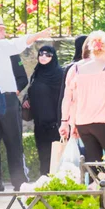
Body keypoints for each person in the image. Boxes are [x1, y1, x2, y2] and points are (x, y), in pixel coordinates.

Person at [0, 16, 51, 191]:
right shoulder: (0, 46)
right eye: (0, 29)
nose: (4, 31)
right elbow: (20, 42)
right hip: (7, 100)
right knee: (14, 142)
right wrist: (38, 34)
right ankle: (19, 182)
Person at [59, 31, 105, 166]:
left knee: (93, 162)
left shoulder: (75, 69)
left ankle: (95, 185)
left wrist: (69, 123)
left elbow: (69, 99)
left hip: (83, 123)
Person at [22, 46, 64, 176]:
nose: (43, 57)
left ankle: (56, 182)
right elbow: (32, 90)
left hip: (55, 123)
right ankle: (44, 181)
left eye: (48, 54)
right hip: (39, 122)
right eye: (41, 54)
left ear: (53, 57)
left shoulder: (59, 74)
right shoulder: (37, 72)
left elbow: (63, 97)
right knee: (43, 154)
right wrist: (27, 99)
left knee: (56, 155)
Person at [57, 35, 88, 124]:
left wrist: (62, 119)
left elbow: (64, 95)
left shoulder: (71, 67)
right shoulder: (94, 66)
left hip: (74, 113)